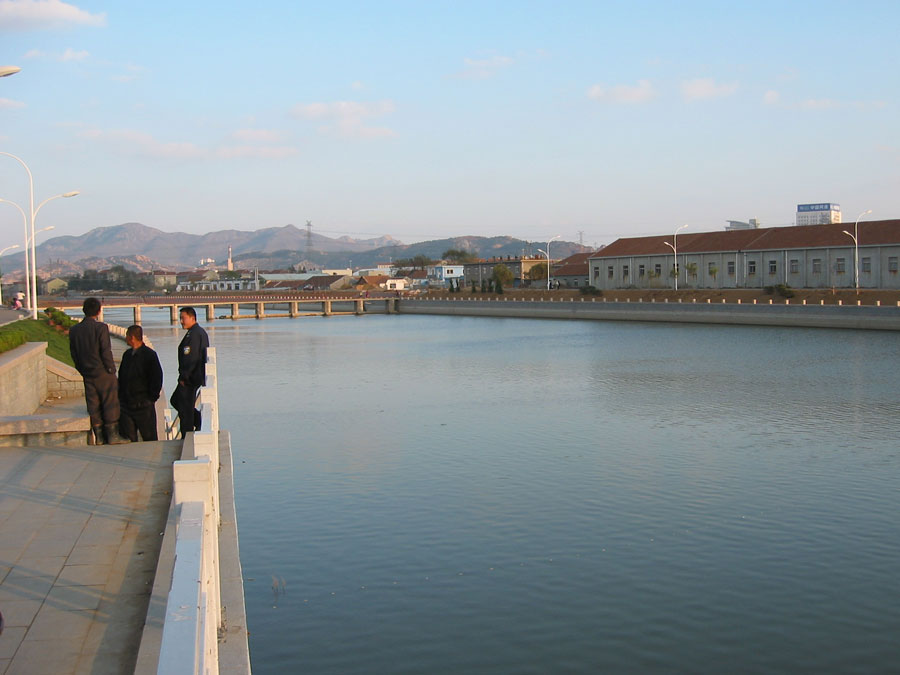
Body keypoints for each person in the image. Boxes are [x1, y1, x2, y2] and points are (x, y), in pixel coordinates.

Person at [69, 297, 129, 445]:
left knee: (93, 404)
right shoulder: (101, 328)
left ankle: (100, 437)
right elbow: (105, 351)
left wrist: (81, 369)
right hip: (102, 372)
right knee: (110, 402)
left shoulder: (74, 330)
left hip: (87, 373)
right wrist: (111, 369)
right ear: (98, 311)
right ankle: (113, 436)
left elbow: (74, 353)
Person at [117, 324, 163, 442]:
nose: (126, 338)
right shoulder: (127, 355)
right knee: (129, 438)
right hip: (127, 405)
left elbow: (156, 378)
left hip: (144, 405)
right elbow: (122, 377)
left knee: (149, 438)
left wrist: (151, 398)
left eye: (127, 335)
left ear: (132, 337)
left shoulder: (149, 355)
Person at [170, 306, 209, 437]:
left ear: (192, 318)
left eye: (183, 318)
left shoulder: (195, 334)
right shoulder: (193, 332)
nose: (181, 321)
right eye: (180, 318)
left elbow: (191, 358)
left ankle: (187, 435)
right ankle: (197, 420)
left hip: (190, 378)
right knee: (176, 401)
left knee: (184, 406)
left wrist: (184, 377)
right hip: (191, 376)